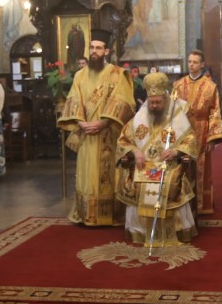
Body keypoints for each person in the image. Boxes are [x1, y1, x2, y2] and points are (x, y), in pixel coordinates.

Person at [57, 28, 135, 226]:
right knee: (86, 175)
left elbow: (124, 101)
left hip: (108, 134)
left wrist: (103, 122)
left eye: (99, 48)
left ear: (106, 51)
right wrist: (81, 122)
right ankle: (87, 214)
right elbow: (74, 100)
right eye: (92, 47)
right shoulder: (80, 76)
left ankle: (109, 215)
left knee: (107, 176)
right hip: (87, 135)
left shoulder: (118, 75)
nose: (94, 51)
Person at [115, 72, 199, 245]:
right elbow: (123, 140)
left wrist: (177, 152)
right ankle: (142, 231)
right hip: (143, 164)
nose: (154, 106)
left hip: (169, 165)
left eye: (158, 102)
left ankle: (171, 231)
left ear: (166, 99)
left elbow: (191, 139)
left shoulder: (177, 115)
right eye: (151, 102)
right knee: (137, 180)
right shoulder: (140, 117)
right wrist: (135, 152)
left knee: (171, 182)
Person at [173, 50, 222, 215]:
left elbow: (215, 112)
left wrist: (212, 138)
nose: (191, 64)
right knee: (182, 165)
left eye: (195, 62)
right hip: (183, 130)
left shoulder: (210, 86)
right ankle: (183, 202)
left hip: (202, 131)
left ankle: (202, 205)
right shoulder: (178, 85)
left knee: (202, 168)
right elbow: (172, 110)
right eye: (189, 61)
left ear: (202, 64)